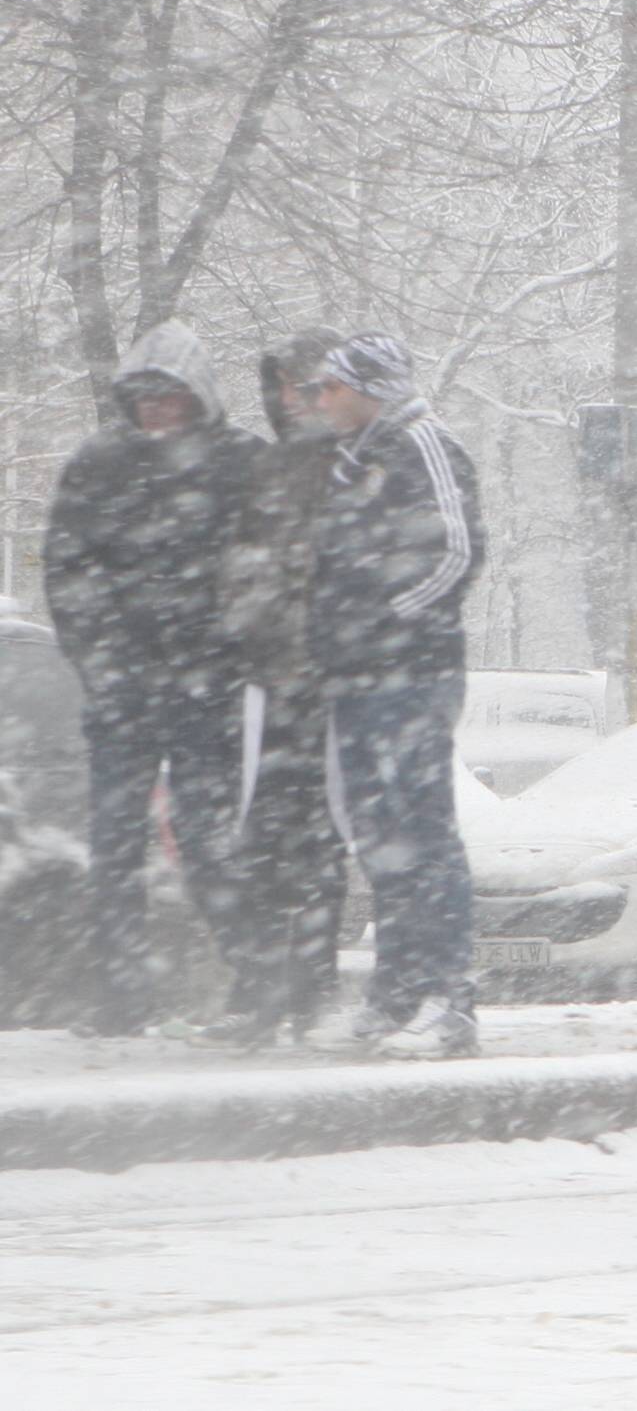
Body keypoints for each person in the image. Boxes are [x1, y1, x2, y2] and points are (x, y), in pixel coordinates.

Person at [42, 320, 261, 1035]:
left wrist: (232, 653)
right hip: (123, 690)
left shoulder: (240, 464)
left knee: (206, 838)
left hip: (210, 692)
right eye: (144, 397)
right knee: (114, 843)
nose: (155, 410)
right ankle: (120, 994)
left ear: (198, 397)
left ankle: (254, 979)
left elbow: (271, 568)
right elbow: (68, 570)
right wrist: (101, 661)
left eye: (168, 396)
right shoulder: (99, 465)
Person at [301, 333, 486, 1058]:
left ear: (371, 389)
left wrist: (383, 623)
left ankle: (450, 997)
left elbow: (458, 553)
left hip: (411, 675)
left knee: (424, 831)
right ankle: (397, 991)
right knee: (380, 836)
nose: (320, 399)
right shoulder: (352, 461)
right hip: (356, 679)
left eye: (332, 387)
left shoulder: (423, 445)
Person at [190, 328, 354, 1048]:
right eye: (285, 386)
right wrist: (244, 629)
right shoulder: (271, 466)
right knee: (257, 841)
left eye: (308, 385)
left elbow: (347, 569)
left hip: (328, 687)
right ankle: (259, 990)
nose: (295, 399)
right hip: (263, 684)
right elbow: (243, 562)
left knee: (320, 843)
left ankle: (313, 991)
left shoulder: (353, 463)